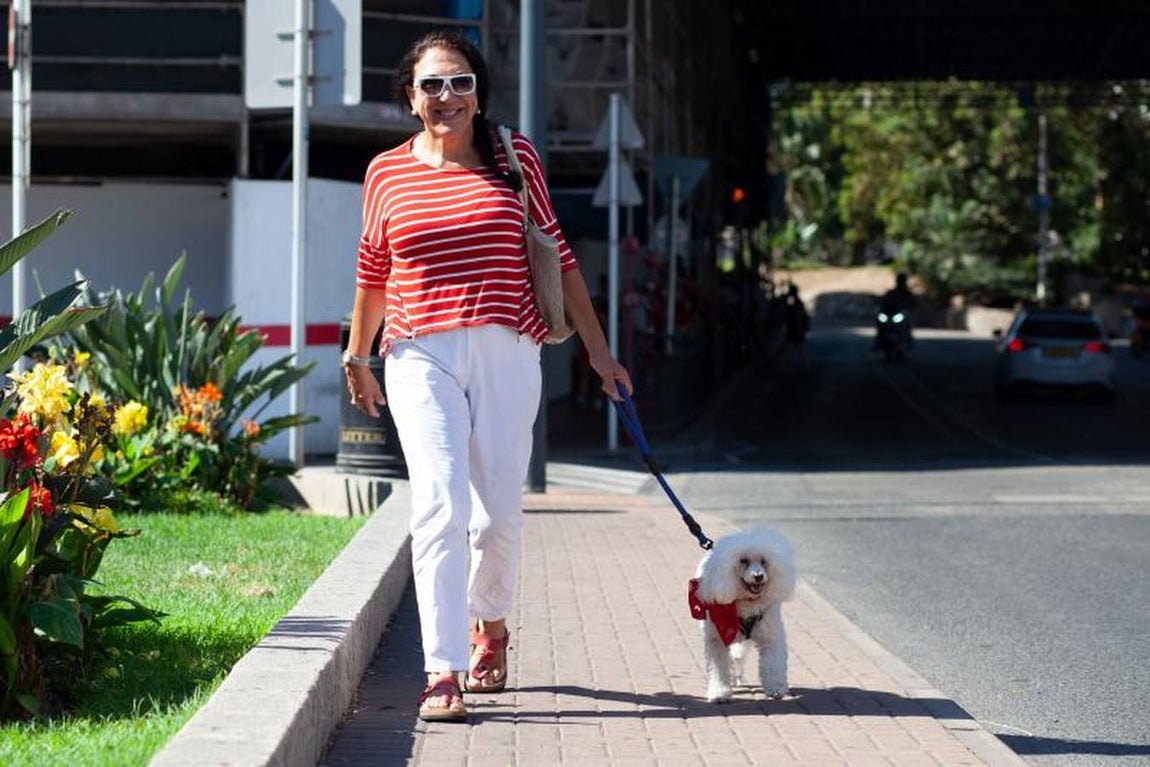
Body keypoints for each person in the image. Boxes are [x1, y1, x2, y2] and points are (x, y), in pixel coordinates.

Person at [342, 29, 632, 723]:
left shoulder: (515, 156)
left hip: (509, 346)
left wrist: (599, 352)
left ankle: (490, 624)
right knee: (439, 503)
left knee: (497, 512)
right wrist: (358, 354)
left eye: (462, 82)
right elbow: (372, 271)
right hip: (418, 352)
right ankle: (441, 671)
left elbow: (559, 254)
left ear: (478, 94)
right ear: (410, 98)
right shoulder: (386, 172)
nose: (448, 96)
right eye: (433, 85)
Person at [875, 271, 916, 350]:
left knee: (906, 323)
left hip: (901, 314)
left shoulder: (907, 293)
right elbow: (884, 302)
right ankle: (878, 341)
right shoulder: (891, 292)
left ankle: (906, 341)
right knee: (880, 321)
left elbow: (913, 304)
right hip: (890, 314)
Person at [780, 283, 810, 371]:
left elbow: (796, 317)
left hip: (795, 328)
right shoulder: (796, 303)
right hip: (796, 328)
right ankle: (804, 366)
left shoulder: (795, 303)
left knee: (795, 349)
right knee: (797, 349)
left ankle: (803, 366)